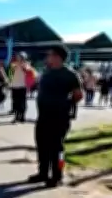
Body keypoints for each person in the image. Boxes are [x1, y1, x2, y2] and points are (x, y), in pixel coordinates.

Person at [31, 45, 83, 187]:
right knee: (42, 145)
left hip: (59, 118)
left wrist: (65, 104)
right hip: (43, 116)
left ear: (58, 57)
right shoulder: (47, 72)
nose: (47, 57)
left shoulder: (70, 74)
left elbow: (78, 95)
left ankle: (57, 175)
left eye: (50, 55)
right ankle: (42, 173)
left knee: (57, 148)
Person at [9, 53, 32, 123]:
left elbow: (28, 72)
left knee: (22, 102)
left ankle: (22, 117)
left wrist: (22, 66)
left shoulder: (26, 64)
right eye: (17, 57)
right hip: (14, 86)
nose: (18, 59)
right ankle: (16, 117)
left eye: (20, 57)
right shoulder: (14, 64)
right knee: (15, 102)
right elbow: (10, 73)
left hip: (22, 86)